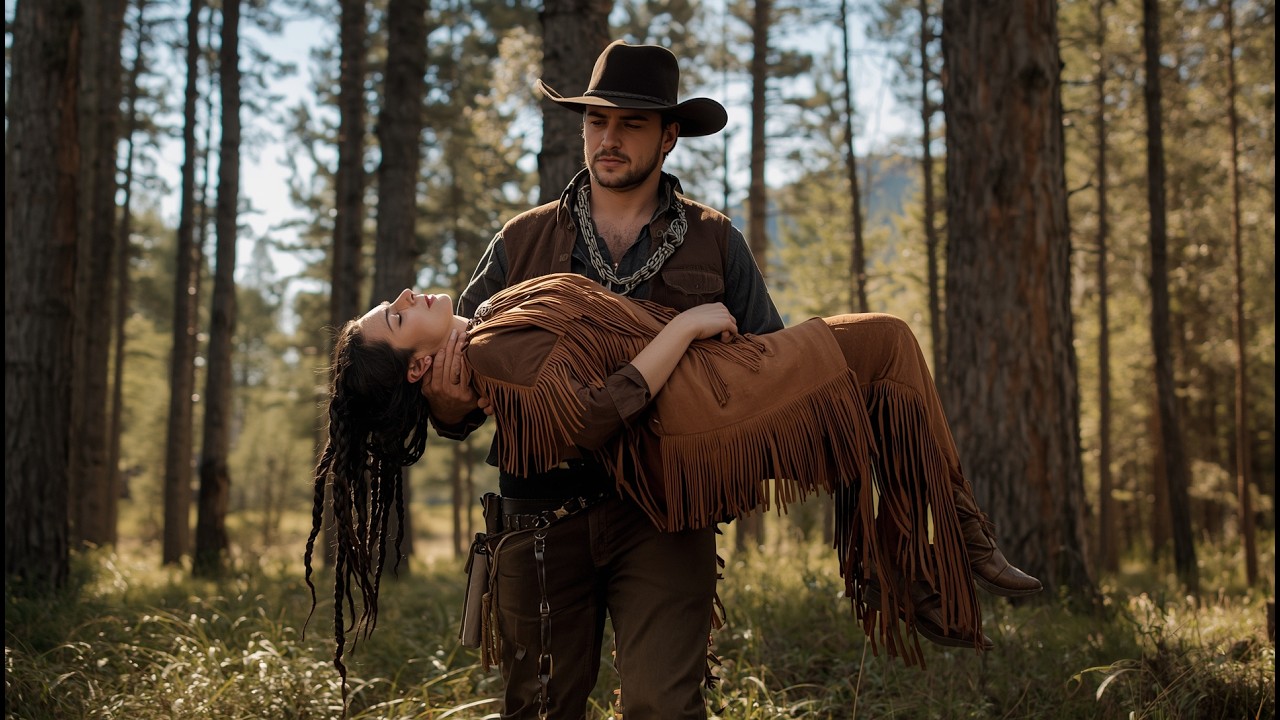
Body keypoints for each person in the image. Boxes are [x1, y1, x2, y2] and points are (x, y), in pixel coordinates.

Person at [304, 274, 1044, 714]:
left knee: (881, 357)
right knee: (885, 344)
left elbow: (526, 392)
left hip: (718, 376)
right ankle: (937, 556)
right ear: (417, 365)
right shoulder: (491, 344)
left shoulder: (490, 320)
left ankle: (915, 563)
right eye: (397, 317)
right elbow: (591, 414)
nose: (405, 294)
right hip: (698, 407)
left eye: (393, 302)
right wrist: (688, 325)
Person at [422, 40, 783, 720]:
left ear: (670, 136)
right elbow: (461, 383)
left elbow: (767, 367)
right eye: (596, 121)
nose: (607, 138)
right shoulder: (520, 241)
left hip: (668, 515)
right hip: (538, 515)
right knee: (539, 707)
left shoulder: (717, 242)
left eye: (631, 123)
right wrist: (446, 404)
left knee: (661, 706)